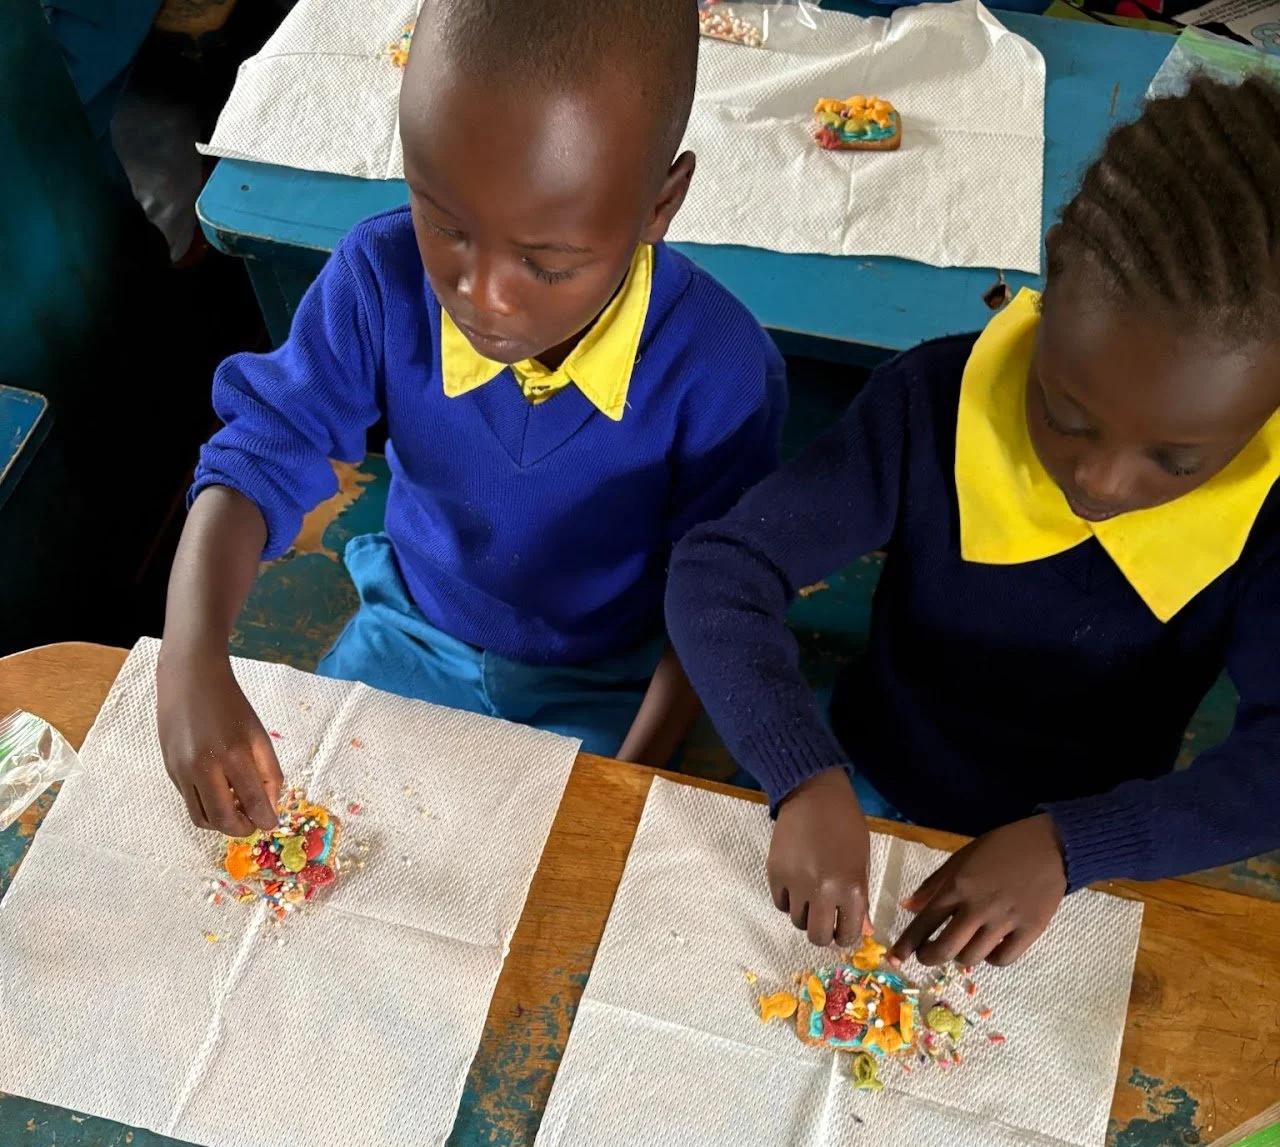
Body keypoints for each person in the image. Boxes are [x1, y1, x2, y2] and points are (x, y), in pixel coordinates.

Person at [666, 75, 1280, 967]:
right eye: (1065, 414)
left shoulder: (1268, 516)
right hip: (869, 781)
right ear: (1048, 300)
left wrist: (1072, 846)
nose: (1099, 481)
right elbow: (721, 571)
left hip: (1084, 854)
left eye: (1176, 462)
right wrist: (801, 772)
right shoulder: (930, 407)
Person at [158, 0, 785, 835]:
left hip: (607, 677)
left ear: (660, 205)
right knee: (312, 840)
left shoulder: (720, 366)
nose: (480, 297)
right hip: (411, 631)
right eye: (443, 225)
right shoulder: (379, 280)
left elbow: (718, 593)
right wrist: (189, 659)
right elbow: (260, 453)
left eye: (546, 261)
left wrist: (630, 774)